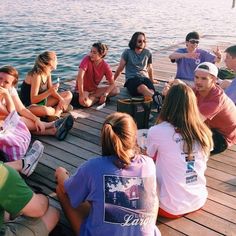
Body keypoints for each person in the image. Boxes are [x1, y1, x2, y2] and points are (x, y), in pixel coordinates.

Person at [55, 112, 160, 236]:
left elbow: (66, 188)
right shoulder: (148, 164)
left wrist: (60, 173)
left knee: (62, 190)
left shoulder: (93, 167)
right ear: (134, 137)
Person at [146, 83, 213, 218]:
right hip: (198, 200)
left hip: (169, 208)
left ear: (168, 104)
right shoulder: (204, 132)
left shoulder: (157, 131)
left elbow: (149, 158)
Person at [0, 66, 74, 141]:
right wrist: (6, 95)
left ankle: (53, 131)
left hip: (7, 120)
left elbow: (21, 109)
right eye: (0, 78)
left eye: (6, 82)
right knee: (18, 121)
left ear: (12, 85)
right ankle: (52, 124)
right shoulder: (6, 91)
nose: (1, 84)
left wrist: (36, 120)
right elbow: (10, 114)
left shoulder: (10, 90)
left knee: (20, 121)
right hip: (5, 122)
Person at [0, 152, 59, 236]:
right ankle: (22, 164)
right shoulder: (2, 174)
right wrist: (42, 197)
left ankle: (21, 164)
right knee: (52, 212)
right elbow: (39, 209)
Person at [114, 32, 161, 108]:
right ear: (134, 41)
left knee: (151, 91)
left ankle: (157, 101)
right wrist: (112, 80)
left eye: (144, 41)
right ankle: (160, 101)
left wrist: (152, 80)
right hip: (132, 79)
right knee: (143, 87)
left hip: (144, 78)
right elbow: (120, 68)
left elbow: (150, 68)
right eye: (139, 41)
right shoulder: (127, 52)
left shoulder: (147, 53)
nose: (142, 43)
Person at [20, 51, 72, 119]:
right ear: (50, 62)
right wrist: (49, 91)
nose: (57, 62)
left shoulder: (48, 72)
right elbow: (33, 100)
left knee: (68, 94)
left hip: (42, 101)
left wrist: (61, 99)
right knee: (46, 110)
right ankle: (59, 109)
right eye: (56, 60)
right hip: (29, 105)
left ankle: (56, 114)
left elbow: (51, 91)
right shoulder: (37, 75)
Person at [72, 42, 119, 108]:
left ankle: (94, 97)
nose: (91, 54)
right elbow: (80, 77)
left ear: (101, 55)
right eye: (91, 51)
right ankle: (96, 99)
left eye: (94, 53)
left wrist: (105, 94)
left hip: (94, 91)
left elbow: (112, 84)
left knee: (116, 90)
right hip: (82, 90)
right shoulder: (86, 59)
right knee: (85, 103)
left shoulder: (105, 66)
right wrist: (81, 94)